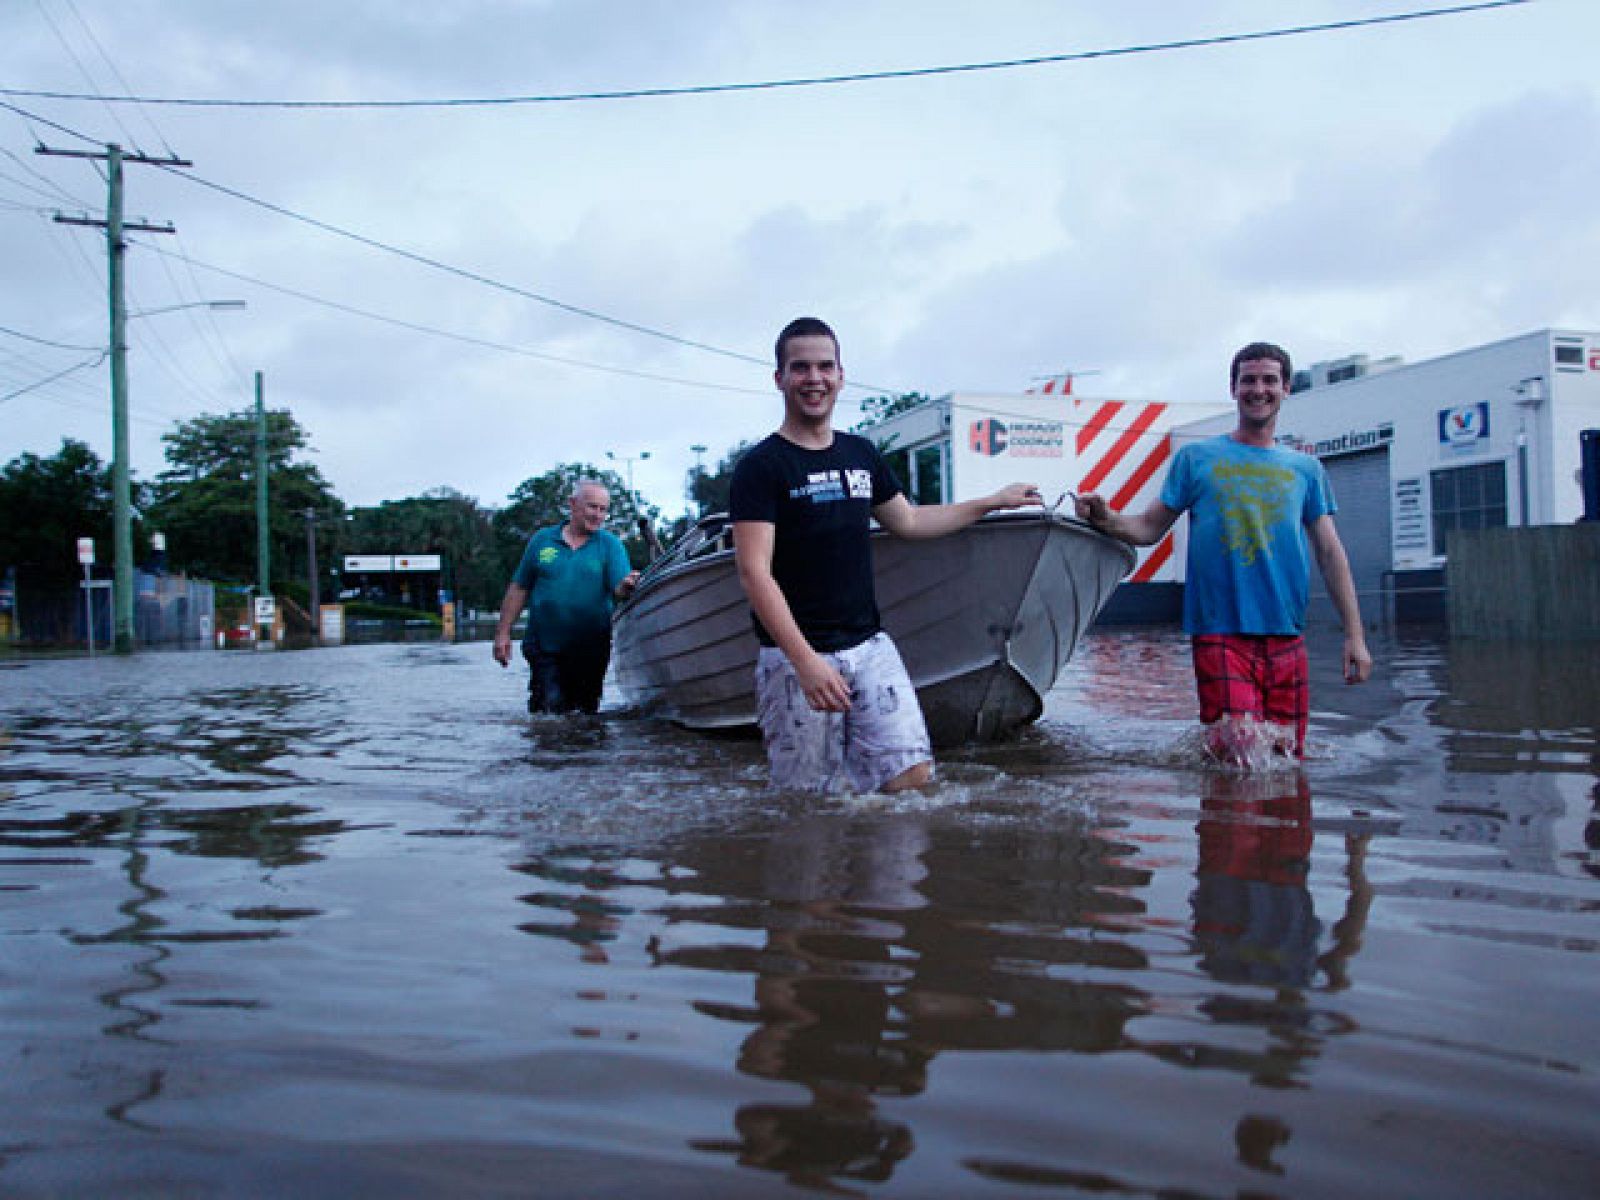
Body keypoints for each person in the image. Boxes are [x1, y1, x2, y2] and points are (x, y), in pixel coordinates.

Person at [730, 316, 1041, 793]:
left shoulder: (861, 454)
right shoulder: (761, 467)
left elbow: (910, 521)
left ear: (840, 375)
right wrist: (806, 662)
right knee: (806, 805)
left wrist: (991, 501)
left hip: (870, 647)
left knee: (912, 780)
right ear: (780, 379)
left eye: (825, 366)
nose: (814, 379)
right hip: (795, 657)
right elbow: (754, 573)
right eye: (800, 368)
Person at [1074, 341, 1372, 764]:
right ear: (1233, 389)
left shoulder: (1305, 469)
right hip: (1219, 631)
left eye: (1270, 380)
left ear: (1286, 388)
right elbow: (1146, 528)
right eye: (1248, 380)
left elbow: (1330, 552)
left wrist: (1355, 638)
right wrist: (1103, 517)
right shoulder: (1196, 459)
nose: (1259, 389)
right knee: (1241, 756)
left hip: (1287, 633)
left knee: (1288, 760)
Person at [493, 478, 640, 714]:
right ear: (572, 504)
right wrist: (502, 634)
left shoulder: (610, 546)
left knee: (584, 715)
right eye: (592, 507)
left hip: (590, 647)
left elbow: (619, 589)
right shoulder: (542, 540)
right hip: (544, 645)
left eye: (603, 510)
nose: (598, 515)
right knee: (549, 710)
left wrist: (626, 584)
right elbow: (519, 588)